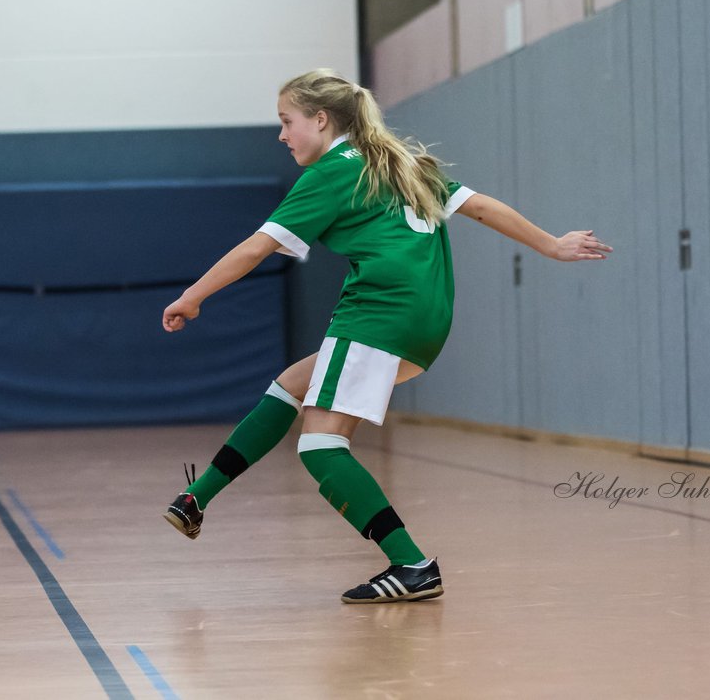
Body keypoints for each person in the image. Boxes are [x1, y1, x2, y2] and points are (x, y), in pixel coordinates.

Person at [161, 70, 612, 603]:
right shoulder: (399, 162)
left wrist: (193, 295)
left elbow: (255, 248)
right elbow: (483, 206)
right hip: (426, 318)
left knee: (322, 445)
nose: (282, 136)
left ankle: (412, 564)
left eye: (287, 122)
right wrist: (552, 245)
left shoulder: (331, 173)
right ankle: (196, 499)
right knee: (291, 384)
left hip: (379, 311)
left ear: (321, 120)